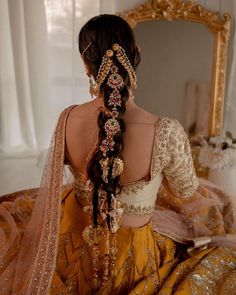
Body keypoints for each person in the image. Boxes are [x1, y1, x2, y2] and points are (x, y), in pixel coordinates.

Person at [0, 14, 236, 295]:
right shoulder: (166, 131)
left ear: (85, 63)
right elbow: (187, 190)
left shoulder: (67, 118)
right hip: (132, 262)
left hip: (69, 253)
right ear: (136, 54)